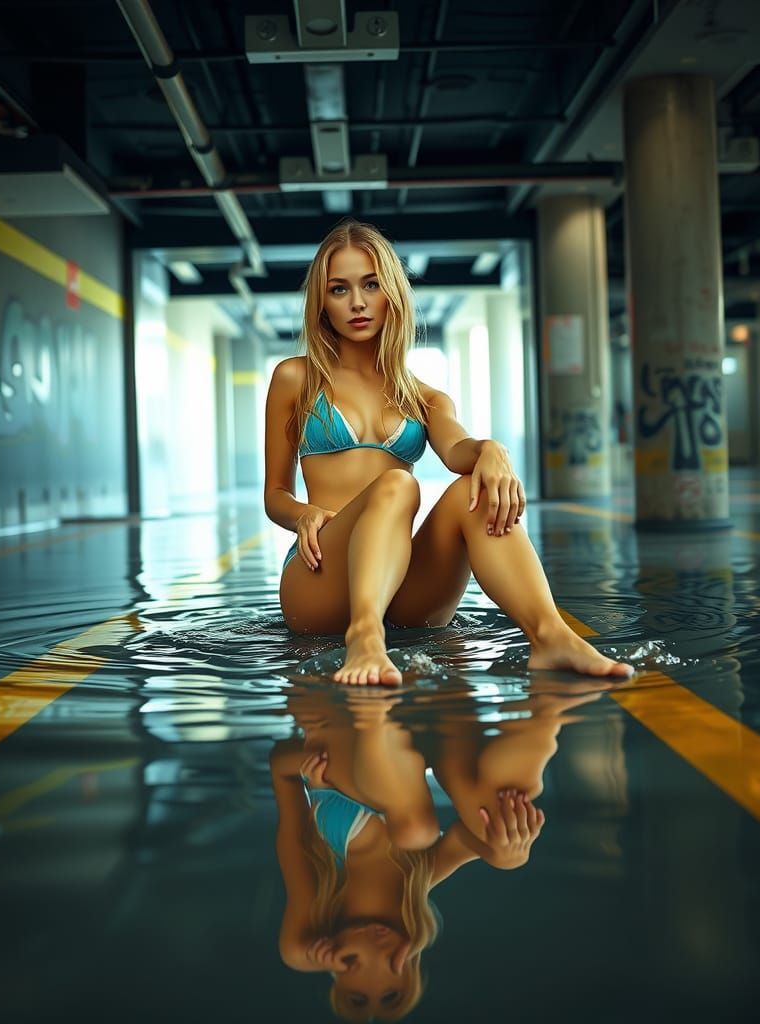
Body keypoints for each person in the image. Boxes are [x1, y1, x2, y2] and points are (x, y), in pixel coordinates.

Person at [264, 220, 633, 685]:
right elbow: (274, 493)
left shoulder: (425, 398)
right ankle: (365, 638)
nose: (357, 302)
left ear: (392, 294)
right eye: (340, 289)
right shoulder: (295, 379)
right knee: (399, 484)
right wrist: (302, 515)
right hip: (318, 577)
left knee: (469, 492)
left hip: (396, 584)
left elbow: (459, 451)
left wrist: (491, 450)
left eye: (371, 285)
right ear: (322, 303)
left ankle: (550, 636)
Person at [270, 690, 546, 1020]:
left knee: (417, 831)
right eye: (391, 995)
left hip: (327, 699)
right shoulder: (420, 876)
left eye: (358, 997)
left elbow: (279, 764)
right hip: (425, 701)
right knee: (489, 826)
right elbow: (472, 842)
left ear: (335, 968)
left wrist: (315, 772)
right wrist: (511, 857)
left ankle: (372, 686)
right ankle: (550, 708)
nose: (379, 966)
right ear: (409, 968)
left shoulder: (319, 890)